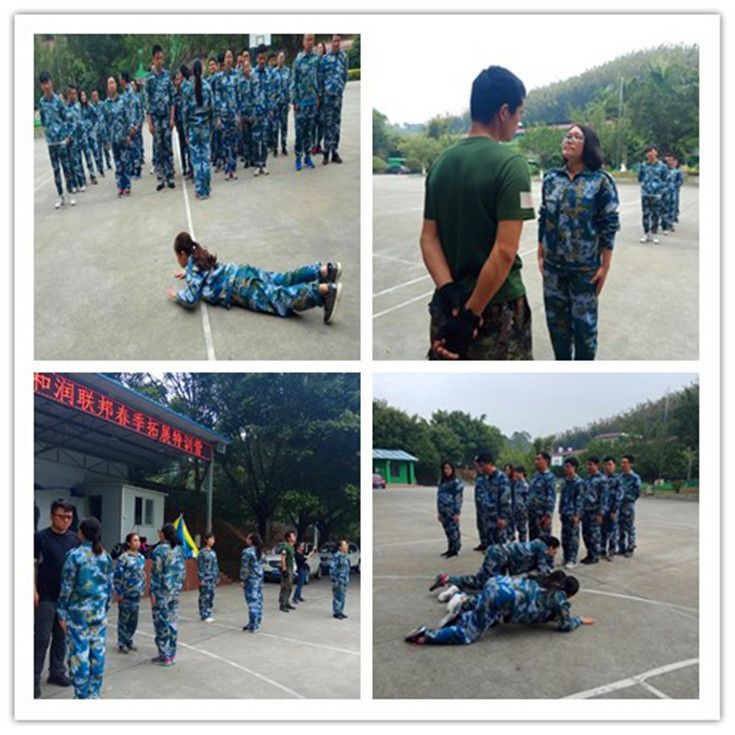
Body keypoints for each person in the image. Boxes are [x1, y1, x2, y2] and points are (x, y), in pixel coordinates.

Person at [421, 66, 535, 360]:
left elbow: (428, 239)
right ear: (504, 112)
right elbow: (505, 251)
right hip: (496, 308)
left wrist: (448, 289)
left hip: (448, 307)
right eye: (519, 114)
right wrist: (471, 316)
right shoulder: (512, 166)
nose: (518, 122)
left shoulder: (440, 165)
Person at [537, 123, 620, 360]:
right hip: (553, 270)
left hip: (585, 272)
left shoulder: (600, 181)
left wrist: (605, 266)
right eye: (567, 136)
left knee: (585, 332)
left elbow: (609, 225)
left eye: (576, 137)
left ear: (588, 145)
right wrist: (541, 251)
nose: (569, 140)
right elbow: (544, 216)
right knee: (557, 331)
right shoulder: (552, 179)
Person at [167, 231, 343, 323]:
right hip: (242, 271)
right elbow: (203, 271)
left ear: (182, 254)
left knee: (279, 297)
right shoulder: (198, 255)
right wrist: (189, 272)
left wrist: (177, 295)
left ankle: (324, 292)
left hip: (240, 287)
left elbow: (191, 298)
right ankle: (326, 271)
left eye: (177, 256)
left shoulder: (193, 269)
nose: (178, 260)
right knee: (283, 278)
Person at [406, 572, 594, 646]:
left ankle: (463, 607)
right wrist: (578, 620)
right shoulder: (560, 599)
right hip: (501, 598)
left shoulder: (546, 580)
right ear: (570, 594)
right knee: (468, 635)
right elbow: (565, 625)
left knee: (486, 606)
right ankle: (427, 635)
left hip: (498, 582)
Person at [56, 517, 113, 699]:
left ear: (81, 533)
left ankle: (81, 696)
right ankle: (94, 694)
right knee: (98, 654)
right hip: (99, 615)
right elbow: (109, 587)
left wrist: (61, 614)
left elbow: (66, 588)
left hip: (78, 616)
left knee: (79, 656)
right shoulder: (105, 556)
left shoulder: (74, 556)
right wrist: (104, 609)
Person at [34, 499, 79, 698]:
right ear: (52, 516)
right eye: (62, 516)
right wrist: (33, 590)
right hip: (45, 596)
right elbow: (32, 564)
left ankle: (57, 672)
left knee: (61, 638)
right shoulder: (40, 537)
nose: (66, 521)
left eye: (69, 517)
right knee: (42, 638)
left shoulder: (75, 538)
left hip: (66, 599)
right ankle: (33, 679)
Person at [430, 537, 559, 594]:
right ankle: (449, 581)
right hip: (498, 556)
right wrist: (558, 583)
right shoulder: (543, 548)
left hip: (501, 557)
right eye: (555, 550)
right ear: (551, 547)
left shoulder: (538, 545)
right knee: (482, 582)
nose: (555, 553)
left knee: (495, 585)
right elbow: (543, 571)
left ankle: (452, 583)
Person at [149, 523, 186, 666]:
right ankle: (171, 654)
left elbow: (156, 573)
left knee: (161, 623)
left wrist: (153, 592)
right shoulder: (179, 550)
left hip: (162, 592)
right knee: (172, 622)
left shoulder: (159, 550)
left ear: (163, 534)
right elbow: (183, 572)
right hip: (175, 592)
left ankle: (165, 656)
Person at [37, 72, 76, 209]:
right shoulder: (41, 103)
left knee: (66, 168)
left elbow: (67, 118)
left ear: (51, 82)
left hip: (61, 141)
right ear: (41, 86)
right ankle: (60, 195)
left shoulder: (58, 101)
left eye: (47, 82)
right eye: (44, 84)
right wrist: (48, 133)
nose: (46, 86)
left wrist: (68, 136)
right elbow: (43, 120)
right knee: (56, 170)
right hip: (51, 142)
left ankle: (70, 193)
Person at [146, 44, 176, 191]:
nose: (160, 61)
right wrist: (150, 123)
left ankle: (170, 176)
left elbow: (172, 99)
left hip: (166, 117)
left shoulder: (167, 76)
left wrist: (172, 118)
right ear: (153, 59)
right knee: (158, 148)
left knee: (168, 146)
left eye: (161, 58)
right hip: (156, 119)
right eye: (157, 58)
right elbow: (147, 102)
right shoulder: (149, 78)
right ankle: (160, 178)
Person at [184, 59, 214, 199]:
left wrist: (186, 131)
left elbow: (185, 112)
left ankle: (199, 190)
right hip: (205, 127)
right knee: (205, 159)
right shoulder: (207, 87)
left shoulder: (188, 89)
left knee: (196, 160)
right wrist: (211, 127)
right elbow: (212, 109)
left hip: (193, 129)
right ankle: (206, 189)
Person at [291, 34, 320, 171]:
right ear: (303, 42)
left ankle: (307, 156)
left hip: (312, 102)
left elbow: (319, 78)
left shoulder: (316, 59)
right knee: (299, 133)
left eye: (312, 40)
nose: (310, 42)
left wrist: (319, 96)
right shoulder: (298, 61)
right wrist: (295, 101)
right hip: (301, 104)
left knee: (309, 132)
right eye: (308, 40)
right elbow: (293, 82)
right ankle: (298, 157)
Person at [112, 532, 146, 653]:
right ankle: (122, 643)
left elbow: (142, 575)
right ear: (129, 543)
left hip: (136, 594)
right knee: (124, 620)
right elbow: (117, 576)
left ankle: (128, 640)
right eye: (135, 540)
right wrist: (119, 592)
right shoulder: (124, 558)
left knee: (133, 621)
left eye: (138, 540)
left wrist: (142, 588)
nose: (138, 543)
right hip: (126, 594)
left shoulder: (141, 558)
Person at [318, 34, 348, 165]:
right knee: (327, 124)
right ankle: (326, 152)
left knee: (336, 124)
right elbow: (320, 78)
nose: (337, 43)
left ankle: (334, 151)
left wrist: (341, 88)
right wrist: (321, 95)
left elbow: (345, 75)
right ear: (331, 42)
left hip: (338, 97)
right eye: (335, 41)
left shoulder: (344, 57)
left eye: (338, 41)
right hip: (327, 97)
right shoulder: (325, 59)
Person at [103, 76, 134, 197]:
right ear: (107, 87)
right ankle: (120, 186)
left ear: (116, 85)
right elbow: (104, 123)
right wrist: (106, 139)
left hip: (123, 137)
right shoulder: (105, 104)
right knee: (117, 163)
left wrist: (129, 134)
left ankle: (127, 186)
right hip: (113, 138)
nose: (111, 85)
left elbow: (128, 118)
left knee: (125, 161)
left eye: (113, 83)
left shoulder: (123, 101)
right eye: (109, 83)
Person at [473, 452, 511, 550]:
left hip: (498, 520)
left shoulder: (501, 478)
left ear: (489, 463)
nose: (481, 469)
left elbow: (505, 500)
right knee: (490, 549)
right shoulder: (485, 479)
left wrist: (503, 517)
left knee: (500, 548)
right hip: (487, 520)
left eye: (482, 466)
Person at [215, 49, 242, 180]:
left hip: (234, 114)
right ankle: (227, 169)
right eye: (227, 57)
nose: (229, 59)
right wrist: (218, 117)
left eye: (231, 57)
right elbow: (217, 97)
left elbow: (239, 95)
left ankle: (234, 167)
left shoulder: (237, 76)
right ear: (224, 60)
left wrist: (239, 114)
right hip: (224, 115)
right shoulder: (219, 77)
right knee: (225, 143)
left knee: (234, 143)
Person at [251, 45, 277, 176]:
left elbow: (271, 93)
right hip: (256, 112)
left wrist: (271, 109)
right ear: (256, 59)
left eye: (264, 58)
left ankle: (264, 163)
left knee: (265, 138)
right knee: (256, 139)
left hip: (266, 112)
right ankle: (257, 164)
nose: (262, 61)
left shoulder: (270, 74)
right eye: (260, 58)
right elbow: (249, 94)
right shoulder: (252, 74)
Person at [65, 84, 95, 190]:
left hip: (82, 136)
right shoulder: (65, 109)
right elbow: (65, 124)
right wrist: (68, 136)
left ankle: (92, 175)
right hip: (73, 139)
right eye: (72, 94)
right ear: (69, 94)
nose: (74, 96)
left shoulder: (78, 106)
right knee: (77, 161)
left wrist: (87, 128)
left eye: (75, 93)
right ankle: (81, 182)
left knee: (88, 157)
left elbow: (83, 119)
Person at [638, 145, 669, 244]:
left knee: (655, 214)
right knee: (645, 214)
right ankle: (646, 233)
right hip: (645, 194)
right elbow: (640, 178)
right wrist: (644, 186)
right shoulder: (643, 165)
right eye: (648, 152)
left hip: (656, 195)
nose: (650, 154)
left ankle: (654, 233)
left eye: (651, 151)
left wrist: (660, 190)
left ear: (656, 153)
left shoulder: (662, 166)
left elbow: (666, 179)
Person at [558, 457, 584, 568]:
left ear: (574, 467)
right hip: (565, 513)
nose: (566, 469)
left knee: (573, 538)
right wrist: (560, 511)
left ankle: (572, 559)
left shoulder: (579, 482)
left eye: (568, 467)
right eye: (565, 467)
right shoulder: (565, 482)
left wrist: (577, 515)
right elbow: (562, 498)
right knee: (564, 538)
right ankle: (566, 557)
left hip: (573, 514)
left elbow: (580, 500)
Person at [580, 456, 605, 565]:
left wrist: (600, 513)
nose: (588, 467)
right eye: (587, 465)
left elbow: (604, 498)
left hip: (595, 512)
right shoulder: (586, 479)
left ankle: (595, 555)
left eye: (590, 465)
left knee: (594, 535)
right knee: (586, 534)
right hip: (585, 511)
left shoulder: (602, 479)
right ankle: (589, 554)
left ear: (597, 465)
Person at [119, 71, 144, 180]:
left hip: (133, 126)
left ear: (123, 80)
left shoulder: (130, 93)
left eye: (120, 79)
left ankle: (137, 170)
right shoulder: (126, 93)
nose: (119, 81)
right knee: (131, 148)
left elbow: (133, 110)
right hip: (130, 126)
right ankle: (133, 169)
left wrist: (133, 126)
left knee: (135, 148)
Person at [436, 460, 464, 557]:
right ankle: (450, 548)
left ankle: (455, 549)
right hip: (443, 510)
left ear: (452, 469)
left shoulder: (456, 482)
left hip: (452, 510)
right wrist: (439, 512)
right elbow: (439, 497)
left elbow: (458, 498)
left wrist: (457, 512)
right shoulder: (441, 482)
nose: (446, 471)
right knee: (447, 530)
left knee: (453, 530)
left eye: (448, 468)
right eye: (444, 469)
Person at [527, 452, 557, 541]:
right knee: (533, 541)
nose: (536, 461)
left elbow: (551, 497)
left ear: (546, 461)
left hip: (542, 516)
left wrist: (548, 515)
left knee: (543, 541)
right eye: (535, 459)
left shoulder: (550, 477)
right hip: (533, 514)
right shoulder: (535, 476)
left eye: (538, 459)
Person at [240, 532, 265, 632]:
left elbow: (245, 568)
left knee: (252, 603)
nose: (246, 539)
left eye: (248, 538)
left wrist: (242, 579)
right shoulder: (260, 552)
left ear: (251, 540)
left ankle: (253, 625)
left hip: (251, 581)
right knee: (258, 602)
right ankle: (256, 622)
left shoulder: (247, 552)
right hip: (259, 580)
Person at [600, 456, 623, 561]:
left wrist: (614, 510)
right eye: (606, 465)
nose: (607, 466)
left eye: (610, 464)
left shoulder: (618, 479)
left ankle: (611, 551)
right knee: (602, 531)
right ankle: (602, 550)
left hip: (612, 510)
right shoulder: (602, 479)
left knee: (613, 532)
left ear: (614, 466)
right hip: (603, 510)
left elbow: (619, 495)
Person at [618, 454, 641, 557]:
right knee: (620, 528)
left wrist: (627, 498)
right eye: (622, 462)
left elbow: (637, 493)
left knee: (630, 527)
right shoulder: (620, 477)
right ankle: (621, 548)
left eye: (625, 462)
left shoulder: (635, 477)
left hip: (628, 506)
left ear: (630, 464)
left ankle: (631, 547)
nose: (622, 464)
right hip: (619, 506)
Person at [78, 89, 102, 183]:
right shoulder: (78, 108)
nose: (83, 97)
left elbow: (97, 116)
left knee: (96, 152)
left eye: (84, 95)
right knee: (87, 154)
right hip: (83, 134)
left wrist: (94, 125)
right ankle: (92, 175)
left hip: (91, 133)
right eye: (81, 96)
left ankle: (100, 167)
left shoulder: (90, 106)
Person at [173, 67, 192, 178]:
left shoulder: (187, 89)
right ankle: (184, 167)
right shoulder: (175, 94)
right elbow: (174, 109)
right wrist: (175, 121)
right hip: (180, 123)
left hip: (188, 122)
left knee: (189, 145)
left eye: (179, 78)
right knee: (182, 146)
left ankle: (191, 167)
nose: (177, 81)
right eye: (176, 80)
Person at [197, 532, 219, 622]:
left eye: (213, 539)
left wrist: (217, 576)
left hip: (212, 578)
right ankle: (204, 614)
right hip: (205, 578)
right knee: (204, 596)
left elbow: (216, 565)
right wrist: (201, 578)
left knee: (211, 596)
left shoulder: (213, 553)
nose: (213, 541)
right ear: (206, 540)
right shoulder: (202, 553)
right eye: (211, 539)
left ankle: (208, 612)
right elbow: (200, 566)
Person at [90, 88, 113, 171]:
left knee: (106, 148)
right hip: (96, 132)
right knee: (98, 149)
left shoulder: (103, 105)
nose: (95, 97)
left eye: (96, 95)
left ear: (98, 96)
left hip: (104, 130)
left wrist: (108, 130)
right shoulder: (91, 107)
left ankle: (108, 163)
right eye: (93, 96)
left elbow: (107, 117)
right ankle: (100, 166)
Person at [238, 58, 255, 169]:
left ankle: (253, 158)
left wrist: (254, 112)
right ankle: (247, 158)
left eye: (249, 66)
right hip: (244, 113)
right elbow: (238, 99)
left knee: (253, 137)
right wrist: (239, 114)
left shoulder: (254, 81)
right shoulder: (240, 82)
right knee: (245, 137)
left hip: (252, 112)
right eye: (245, 67)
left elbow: (256, 97)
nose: (247, 69)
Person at [273, 51, 290, 156]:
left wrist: (289, 102)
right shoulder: (273, 72)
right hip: (276, 103)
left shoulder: (288, 71)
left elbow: (290, 87)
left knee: (284, 125)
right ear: (277, 59)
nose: (281, 59)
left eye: (283, 57)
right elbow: (270, 89)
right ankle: (275, 147)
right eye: (280, 57)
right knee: (275, 127)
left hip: (284, 103)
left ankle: (284, 146)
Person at [330, 539, 351, 619]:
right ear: (340, 547)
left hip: (344, 579)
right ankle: (337, 612)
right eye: (345, 545)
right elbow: (332, 568)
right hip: (339, 579)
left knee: (342, 596)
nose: (347, 546)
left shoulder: (345, 556)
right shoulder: (336, 556)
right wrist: (335, 579)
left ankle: (341, 611)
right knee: (337, 596)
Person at [312, 41, 327, 155]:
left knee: (322, 123)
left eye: (322, 48)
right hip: (314, 97)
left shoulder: (327, 62)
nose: (320, 50)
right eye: (318, 48)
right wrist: (316, 95)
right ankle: (313, 145)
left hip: (325, 97)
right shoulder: (313, 62)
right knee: (313, 123)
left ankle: (318, 145)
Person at [279, 530, 297, 613]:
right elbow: (282, 557)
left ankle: (287, 602)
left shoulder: (291, 547)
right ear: (288, 538)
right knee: (285, 586)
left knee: (290, 587)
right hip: (287, 568)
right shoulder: (285, 546)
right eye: (293, 536)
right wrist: (284, 568)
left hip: (291, 568)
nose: (294, 537)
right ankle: (282, 604)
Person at [511, 465, 529, 542]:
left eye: (517, 472)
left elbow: (527, 499)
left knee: (522, 530)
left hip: (521, 511)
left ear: (522, 473)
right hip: (515, 509)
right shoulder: (516, 484)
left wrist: (525, 510)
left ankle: (523, 545)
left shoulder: (525, 485)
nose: (515, 474)